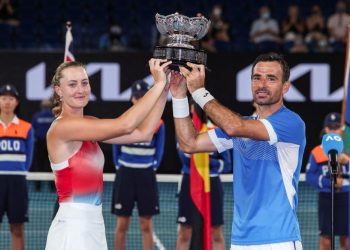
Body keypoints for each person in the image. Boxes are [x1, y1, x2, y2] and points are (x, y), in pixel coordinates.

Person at [170, 52, 306, 249]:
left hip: (279, 240)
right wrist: (179, 96)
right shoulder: (245, 124)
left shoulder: (291, 123)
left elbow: (234, 127)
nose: (262, 84)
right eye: (256, 78)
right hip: (240, 241)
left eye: (271, 78)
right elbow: (189, 144)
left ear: (285, 87)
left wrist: (199, 92)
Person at [45, 59, 173, 250]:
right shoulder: (62, 127)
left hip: (93, 224)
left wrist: (165, 88)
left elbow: (144, 134)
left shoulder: (89, 123)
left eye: (84, 82)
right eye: (72, 84)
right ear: (58, 90)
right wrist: (158, 84)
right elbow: (125, 124)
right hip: (73, 230)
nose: (80, 89)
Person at [111, 79, 165, 250]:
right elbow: (115, 146)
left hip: (146, 175)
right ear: (132, 99)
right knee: (122, 224)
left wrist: (153, 165)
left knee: (146, 224)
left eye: (143, 97)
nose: (139, 100)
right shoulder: (125, 120)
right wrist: (119, 165)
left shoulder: (158, 123)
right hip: (125, 174)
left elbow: (160, 149)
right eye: (137, 97)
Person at [176, 103, 232, 250]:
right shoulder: (184, 131)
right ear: (191, 109)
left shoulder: (217, 131)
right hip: (189, 182)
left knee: (216, 232)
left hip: (212, 184)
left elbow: (227, 165)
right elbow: (183, 159)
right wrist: (204, 159)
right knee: (185, 232)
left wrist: (206, 161)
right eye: (196, 108)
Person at [305, 112, 349, 250]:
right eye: (330, 127)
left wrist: (347, 162)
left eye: (336, 127)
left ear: (342, 130)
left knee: (346, 237)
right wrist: (329, 183)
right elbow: (310, 176)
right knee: (325, 237)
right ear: (325, 129)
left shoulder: (348, 151)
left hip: (346, 197)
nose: (333, 130)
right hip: (326, 197)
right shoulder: (317, 152)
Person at [0, 84, 34, 250]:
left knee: (17, 229)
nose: (7, 102)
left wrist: (20, 172)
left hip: (17, 183)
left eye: (11, 98)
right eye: (4, 98)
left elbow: (29, 157)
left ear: (17, 102)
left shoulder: (26, 127)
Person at [31, 99, 54, 191]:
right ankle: (52, 187)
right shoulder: (53, 116)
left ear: (41, 106)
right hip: (51, 144)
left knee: (39, 165)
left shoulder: (36, 116)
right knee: (51, 165)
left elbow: (32, 130)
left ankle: (38, 187)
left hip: (40, 144)